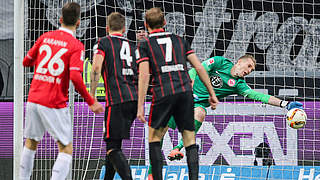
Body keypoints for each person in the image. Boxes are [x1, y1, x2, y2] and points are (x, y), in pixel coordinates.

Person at [20, 2, 104, 180]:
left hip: (34, 98)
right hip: (54, 101)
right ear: (79, 22)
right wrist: (91, 101)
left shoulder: (45, 37)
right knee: (66, 148)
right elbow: (75, 76)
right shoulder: (75, 46)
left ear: (59, 19)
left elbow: (26, 61)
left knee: (31, 142)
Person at [165, 54, 304, 161]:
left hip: (197, 104)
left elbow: (259, 96)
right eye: (249, 66)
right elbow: (197, 69)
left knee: (201, 113)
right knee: (159, 132)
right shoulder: (220, 62)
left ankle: (177, 148)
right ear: (239, 62)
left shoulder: (238, 84)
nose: (249, 71)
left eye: (252, 69)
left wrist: (285, 104)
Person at [136, 8, 219, 180]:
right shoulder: (179, 40)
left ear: (146, 25)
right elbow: (199, 67)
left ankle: (153, 177)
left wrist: (140, 105)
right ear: (165, 23)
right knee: (189, 140)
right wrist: (212, 93)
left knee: (155, 139)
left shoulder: (145, 44)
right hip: (184, 93)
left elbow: (144, 75)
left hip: (163, 93)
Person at [90, 12, 138, 180]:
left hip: (117, 100)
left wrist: (92, 95)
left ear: (106, 28)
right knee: (113, 144)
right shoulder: (133, 46)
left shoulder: (103, 43)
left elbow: (96, 68)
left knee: (113, 148)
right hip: (134, 99)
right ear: (124, 29)